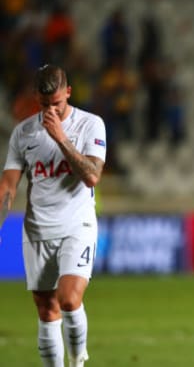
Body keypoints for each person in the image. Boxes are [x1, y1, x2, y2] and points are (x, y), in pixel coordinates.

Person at [0, 64, 107, 367]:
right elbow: (8, 185)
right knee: (47, 311)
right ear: (36, 98)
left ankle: (77, 361)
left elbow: (91, 176)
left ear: (69, 93)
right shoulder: (23, 133)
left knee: (70, 299)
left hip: (77, 224)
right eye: (45, 105)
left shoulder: (91, 125)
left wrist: (60, 138)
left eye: (57, 103)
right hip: (37, 230)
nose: (52, 110)